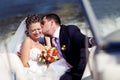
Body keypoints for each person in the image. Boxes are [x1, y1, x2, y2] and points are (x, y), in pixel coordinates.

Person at [41, 13, 95, 80]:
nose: (41, 25)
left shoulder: (69, 30)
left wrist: (90, 40)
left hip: (84, 67)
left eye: (43, 23)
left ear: (52, 23)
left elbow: (80, 39)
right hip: (70, 68)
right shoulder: (49, 39)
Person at [17, 14, 70, 80]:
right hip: (34, 74)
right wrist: (43, 69)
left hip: (46, 70)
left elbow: (52, 58)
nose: (37, 32)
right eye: (33, 30)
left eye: (39, 29)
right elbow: (24, 64)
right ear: (28, 30)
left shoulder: (41, 41)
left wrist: (47, 39)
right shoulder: (28, 41)